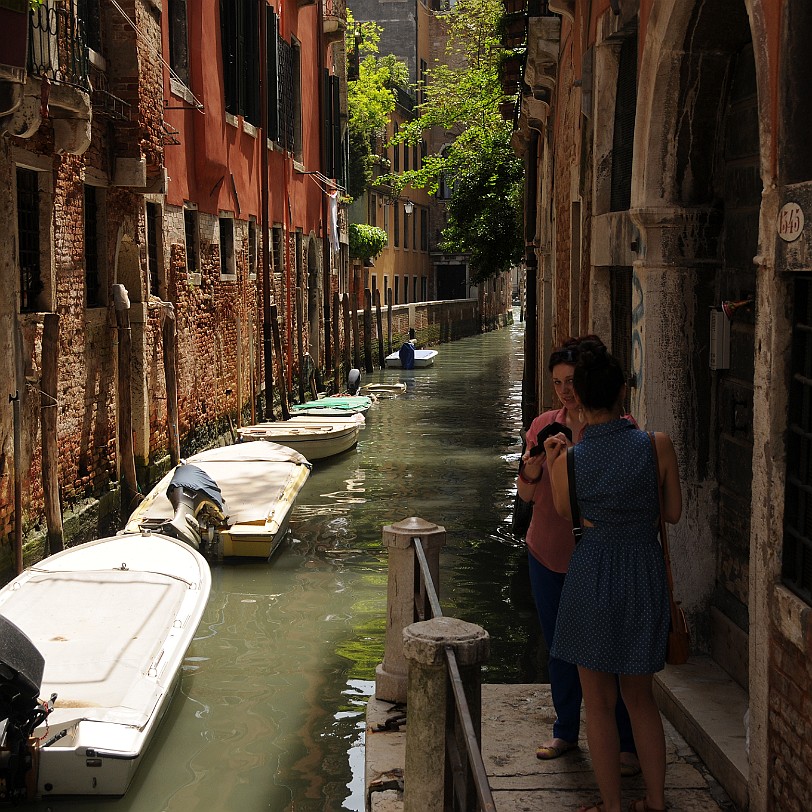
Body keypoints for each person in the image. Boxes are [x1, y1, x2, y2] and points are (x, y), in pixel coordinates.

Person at [542, 340, 682, 812]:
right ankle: (657, 800)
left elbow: (566, 512)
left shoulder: (569, 461)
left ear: (578, 396)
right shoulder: (656, 445)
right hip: (643, 569)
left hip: (591, 572)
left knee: (597, 703)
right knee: (640, 698)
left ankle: (611, 805)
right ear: (624, 391)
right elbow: (674, 513)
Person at [517, 337, 639, 775]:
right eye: (557, 383)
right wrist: (533, 467)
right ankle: (566, 729)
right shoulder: (543, 425)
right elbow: (527, 495)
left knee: (610, 649)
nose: (565, 391)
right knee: (558, 646)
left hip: (597, 557)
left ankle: (624, 742)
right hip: (545, 551)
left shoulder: (614, 427)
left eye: (570, 381)